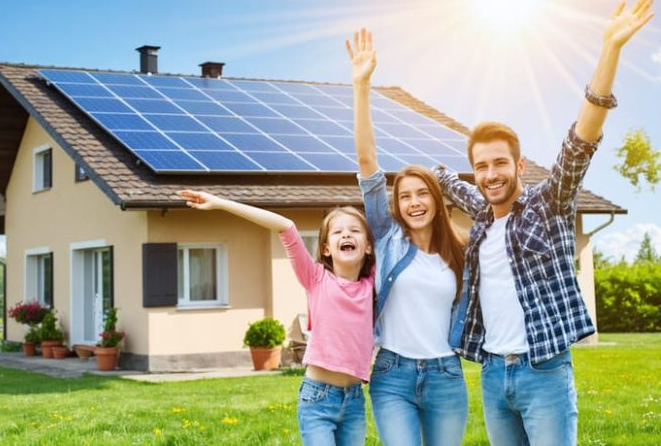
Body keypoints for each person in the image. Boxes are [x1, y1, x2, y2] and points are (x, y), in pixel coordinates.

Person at [435, 0, 654, 445]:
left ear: (518, 166)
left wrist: (609, 48)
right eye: (481, 166)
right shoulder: (481, 214)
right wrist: (432, 175)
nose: (490, 174)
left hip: (545, 371)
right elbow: (452, 187)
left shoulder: (549, 202)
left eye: (499, 163)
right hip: (494, 374)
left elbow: (581, 141)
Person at [176, 189, 376, 446]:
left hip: (355, 400)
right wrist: (221, 203)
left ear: (369, 246)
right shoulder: (315, 278)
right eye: (338, 232)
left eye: (355, 230)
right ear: (325, 249)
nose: (346, 234)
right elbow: (286, 226)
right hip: (318, 399)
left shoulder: (372, 284)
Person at [346, 28, 469, 445]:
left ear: (436, 201)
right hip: (392, 375)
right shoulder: (386, 237)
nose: (414, 203)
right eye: (405, 196)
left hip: (446, 375)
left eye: (422, 194)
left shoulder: (460, 252)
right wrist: (361, 86)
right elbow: (367, 162)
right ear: (395, 205)